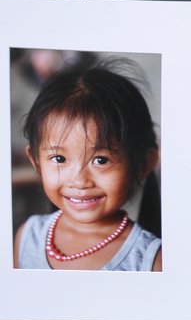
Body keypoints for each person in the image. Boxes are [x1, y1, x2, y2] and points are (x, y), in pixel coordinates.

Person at [14, 62, 162, 272]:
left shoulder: (151, 260)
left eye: (100, 160)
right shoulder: (28, 237)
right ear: (36, 161)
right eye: (58, 158)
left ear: (143, 164)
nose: (79, 181)